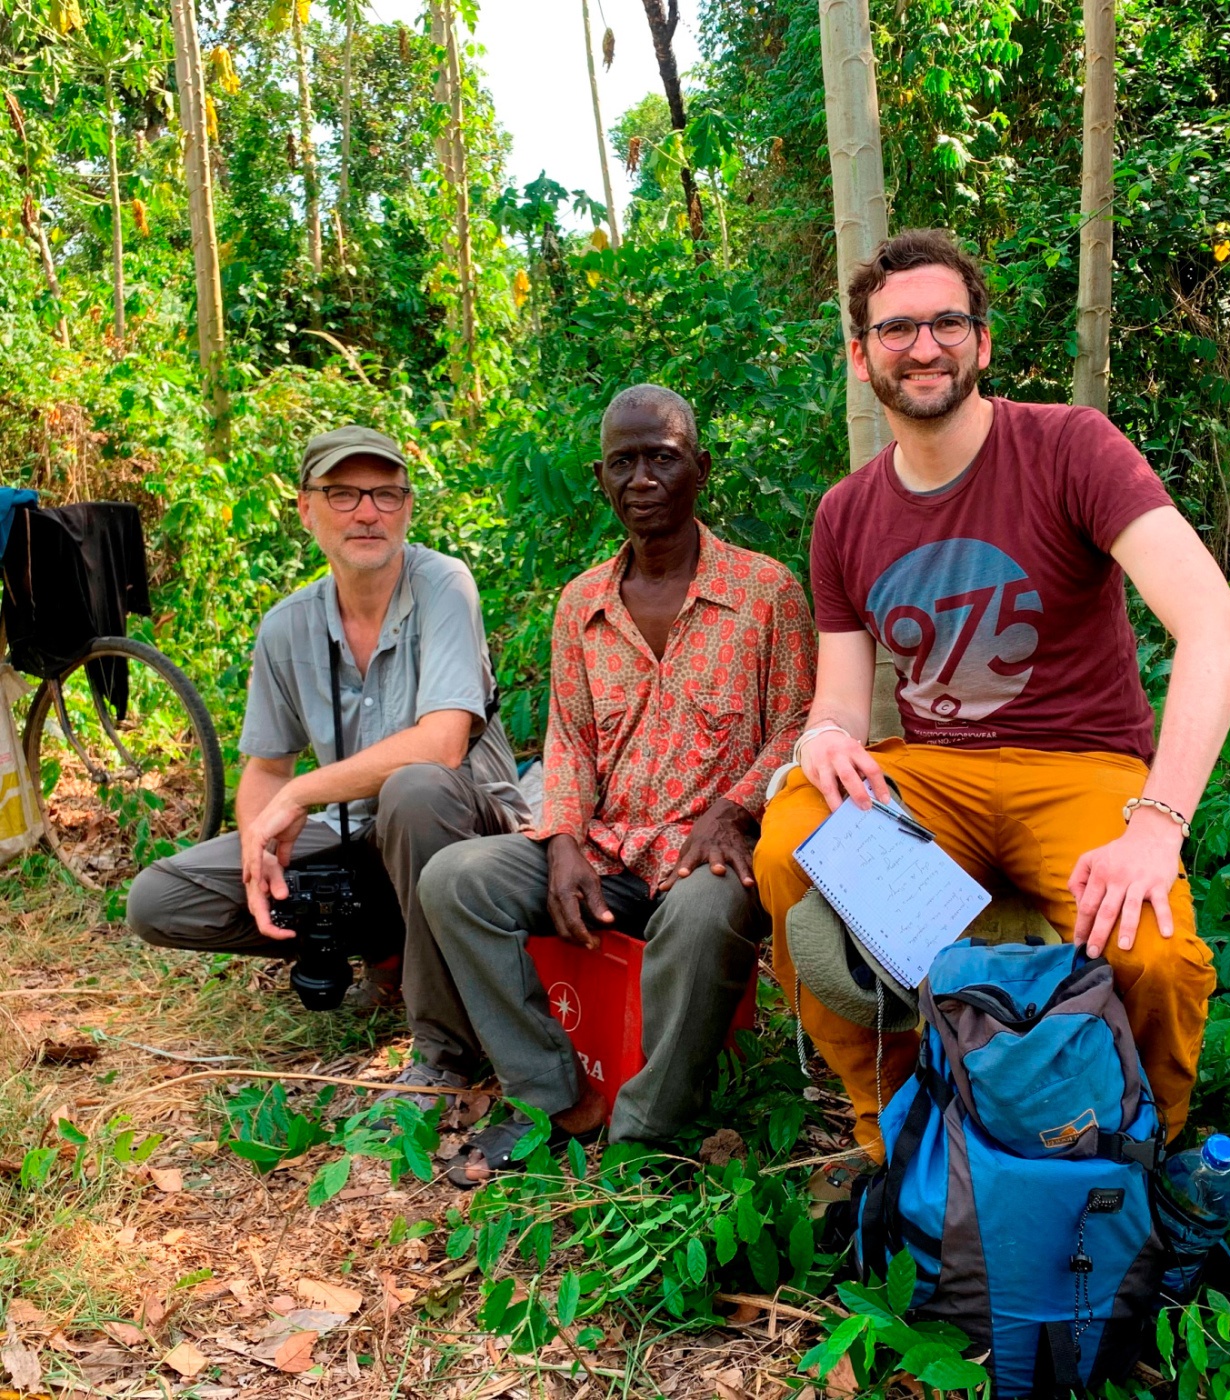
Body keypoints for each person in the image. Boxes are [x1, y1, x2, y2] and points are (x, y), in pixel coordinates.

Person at [753, 229, 1230, 1159]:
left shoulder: (1070, 447)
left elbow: (1217, 631)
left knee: (1151, 954)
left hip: (1080, 766)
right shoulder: (845, 513)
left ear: (982, 342)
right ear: (862, 355)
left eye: (947, 321)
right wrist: (822, 736)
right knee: (788, 845)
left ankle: (1151, 1157)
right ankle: (894, 1123)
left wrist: (1157, 824)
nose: (924, 345)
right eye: (895, 328)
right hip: (935, 776)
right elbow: (839, 701)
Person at [418, 384, 817, 1182]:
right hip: (606, 847)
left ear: (700, 468)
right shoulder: (581, 606)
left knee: (707, 917)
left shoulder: (766, 593)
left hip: (708, 852)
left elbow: (802, 724)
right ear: (601, 477)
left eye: (662, 458)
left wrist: (735, 809)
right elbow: (569, 738)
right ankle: (556, 1102)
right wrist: (562, 840)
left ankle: (643, 1135)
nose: (643, 478)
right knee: (454, 880)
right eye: (624, 462)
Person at [127, 425, 529, 1099]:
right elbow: (266, 769)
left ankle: (445, 1048)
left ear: (407, 508)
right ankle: (388, 945)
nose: (367, 512)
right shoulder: (287, 626)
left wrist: (303, 792)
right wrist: (262, 851)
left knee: (415, 791)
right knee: (159, 900)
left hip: (467, 833)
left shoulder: (443, 587)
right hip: (360, 839)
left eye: (386, 495)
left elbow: (443, 745)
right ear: (306, 508)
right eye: (343, 494)